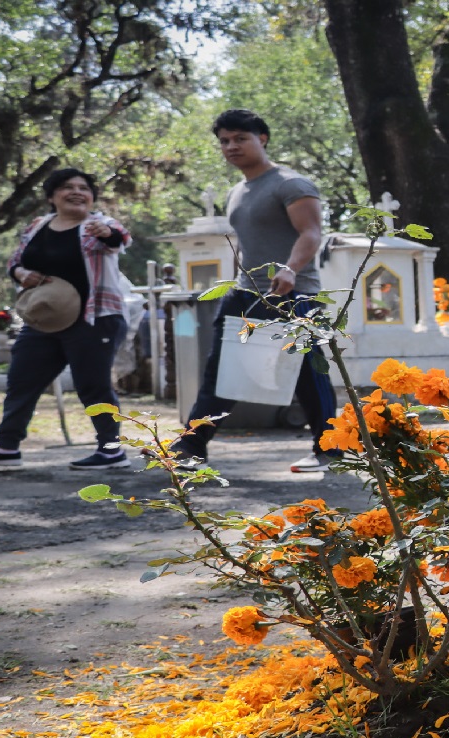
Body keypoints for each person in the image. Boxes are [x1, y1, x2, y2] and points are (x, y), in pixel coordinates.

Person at [172, 109, 336, 474]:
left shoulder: (290, 184)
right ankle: (191, 445)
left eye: (240, 139)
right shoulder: (237, 191)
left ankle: (332, 449)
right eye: (225, 141)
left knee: (309, 374)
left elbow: (311, 233)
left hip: (294, 295)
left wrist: (291, 269)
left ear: (262, 139)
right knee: (222, 370)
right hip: (246, 294)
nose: (231, 147)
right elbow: (247, 246)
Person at [0, 169, 132, 470]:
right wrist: (21, 274)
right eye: (67, 187)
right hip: (45, 320)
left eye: (84, 187)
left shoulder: (100, 224)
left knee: (93, 386)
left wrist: (108, 234)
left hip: (96, 318)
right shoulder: (38, 226)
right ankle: (7, 448)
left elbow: (119, 239)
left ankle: (111, 450)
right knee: (21, 380)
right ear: (52, 196)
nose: (77, 192)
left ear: (92, 196)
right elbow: (15, 262)